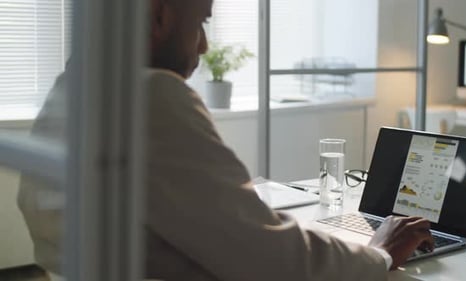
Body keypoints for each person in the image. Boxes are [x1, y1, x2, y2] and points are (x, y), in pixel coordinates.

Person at [18, 0, 434, 280]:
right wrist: (378, 254)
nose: (201, 46)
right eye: (200, 23)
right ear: (159, 18)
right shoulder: (149, 94)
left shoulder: (73, 86)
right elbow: (269, 256)